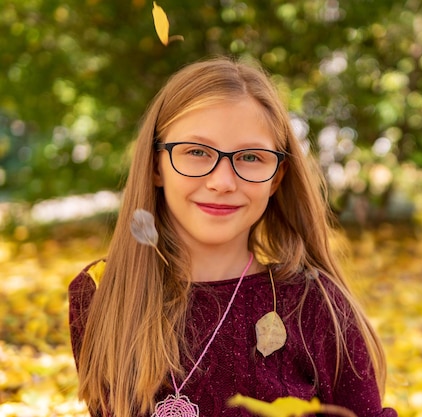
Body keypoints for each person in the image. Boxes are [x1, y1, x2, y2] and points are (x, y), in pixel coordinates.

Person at [69, 56, 397, 417]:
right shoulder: (102, 293)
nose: (223, 182)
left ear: (276, 177)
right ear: (155, 164)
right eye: (196, 152)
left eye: (251, 157)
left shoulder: (315, 306)